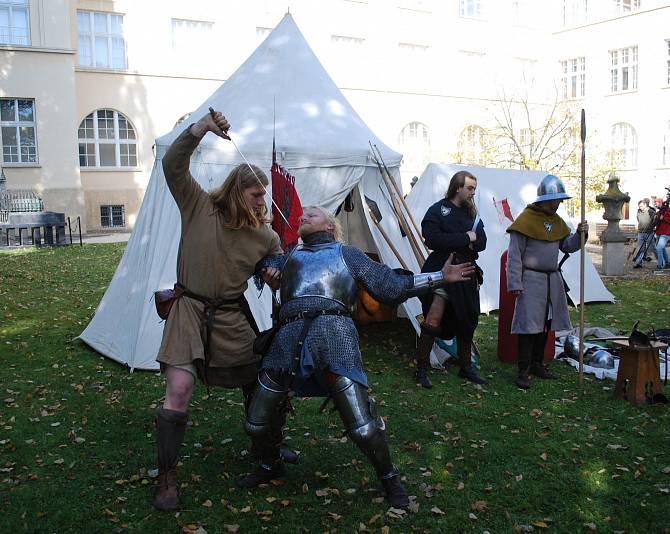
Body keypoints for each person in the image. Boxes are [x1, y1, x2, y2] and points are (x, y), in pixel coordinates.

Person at [240, 206, 476, 508]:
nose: (304, 216)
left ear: (329, 225)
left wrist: (439, 277)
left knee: (363, 428)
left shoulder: (346, 254)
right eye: (302, 215)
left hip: (334, 332)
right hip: (288, 336)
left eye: (313, 214)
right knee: (256, 422)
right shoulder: (289, 256)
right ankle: (270, 462)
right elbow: (261, 262)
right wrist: (266, 269)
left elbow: (391, 286)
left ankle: (389, 477)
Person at [152, 110, 283, 511]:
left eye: (265, 194)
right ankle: (166, 477)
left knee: (259, 385)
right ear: (237, 189)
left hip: (231, 318)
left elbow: (274, 267)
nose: (265, 201)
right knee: (179, 390)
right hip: (188, 311)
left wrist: (275, 273)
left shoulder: (266, 235)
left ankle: (267, 453)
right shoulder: (198, 206)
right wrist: (201, 129)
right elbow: (173, 163)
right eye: (258, 194)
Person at [505, 175, 588, 389]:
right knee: (528, 325)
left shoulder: (556, 222)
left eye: (560, 200)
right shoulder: (525, 221)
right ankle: (523, 370)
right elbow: (514, 255)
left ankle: (537, 364)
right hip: (530, 279)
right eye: (556, 200)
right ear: (546, 199)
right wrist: (515, 282)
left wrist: (580, 235)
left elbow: (567, 246)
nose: (559, 204)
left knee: (545, 325)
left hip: (552, 279)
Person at [414, 171, 487, 388]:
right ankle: (421, 369)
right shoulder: (438, 210)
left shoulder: (473, 215)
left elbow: (481, 242)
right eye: (470, 188)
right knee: (433, 319)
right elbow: (433, 239)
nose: (473, 192)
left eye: (474, 188)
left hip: (467, 271)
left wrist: (465, 239)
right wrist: (466, 237)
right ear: (458, 187)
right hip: (443, 269)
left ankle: (466, 367)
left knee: (467, 320)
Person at [632, 198, 656, 268]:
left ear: (645, 205)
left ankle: (660, 261)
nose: (640, 208)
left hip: (649, 232)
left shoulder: (651, 211)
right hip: (641, 232)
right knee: (640, 248)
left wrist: (651, 226)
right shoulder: (638, 211)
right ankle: (639, 263)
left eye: (641, 206)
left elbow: (655, 221)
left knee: (653, 248)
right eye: (639, 206)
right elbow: (638, 219)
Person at [653, 197, 670, 271]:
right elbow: (655, 223)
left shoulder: (668, 210)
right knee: (662, 248)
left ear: (661, 202)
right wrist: (655, 218)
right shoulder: (658, 212)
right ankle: (668, 264)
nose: (655, 203)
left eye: (657, 202)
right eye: (655, 202)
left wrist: (664, 218)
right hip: (659, 232)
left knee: (659, 248)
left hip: (665, 232)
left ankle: (659, 265)